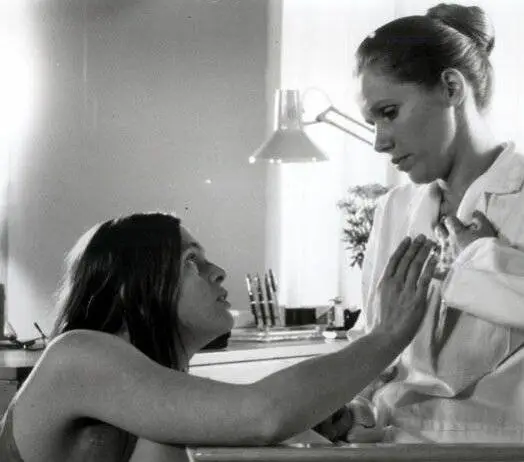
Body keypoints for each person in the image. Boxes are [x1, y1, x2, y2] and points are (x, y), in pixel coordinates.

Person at [0, 212, 437, 461]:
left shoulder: (157, 403)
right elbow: (264, 414)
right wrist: (388, 335)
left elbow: (260, 416)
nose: (219, 272)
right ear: (132, 288)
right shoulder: (78, 354)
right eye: (191, 261)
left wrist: (317, 419)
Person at [318, 2, 524, 444]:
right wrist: (355, 410)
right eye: (372, 121)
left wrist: (483, 261)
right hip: (390, 447)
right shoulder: (394, 208)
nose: (379, 142)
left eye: (389, 112)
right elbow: (375, 344)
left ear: (451, 87)